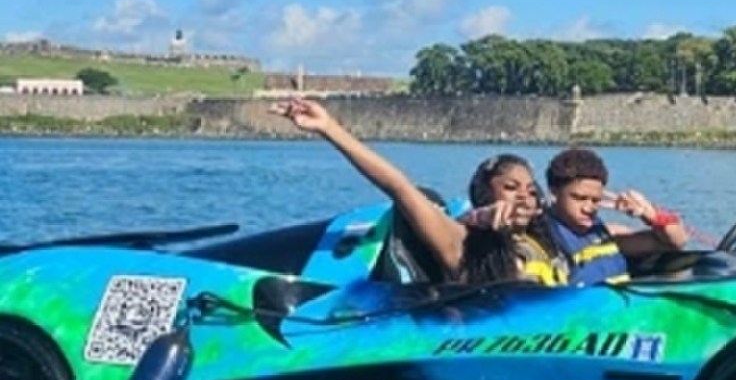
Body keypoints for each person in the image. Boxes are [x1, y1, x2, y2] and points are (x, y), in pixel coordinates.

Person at [270, 98, 566, 286]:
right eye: (510, 188)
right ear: (486, 197)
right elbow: (398, 186)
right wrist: (329, 128)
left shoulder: (545, 242)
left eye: (531, 190)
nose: (524, 196)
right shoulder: (460, 244)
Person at [542, 147, 688, 285]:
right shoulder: (541, 239)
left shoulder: (607, 234)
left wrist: (648, 214)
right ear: (554, 192)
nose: (588, 208)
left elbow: (675, 242)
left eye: (596, 200)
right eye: (579, 198)